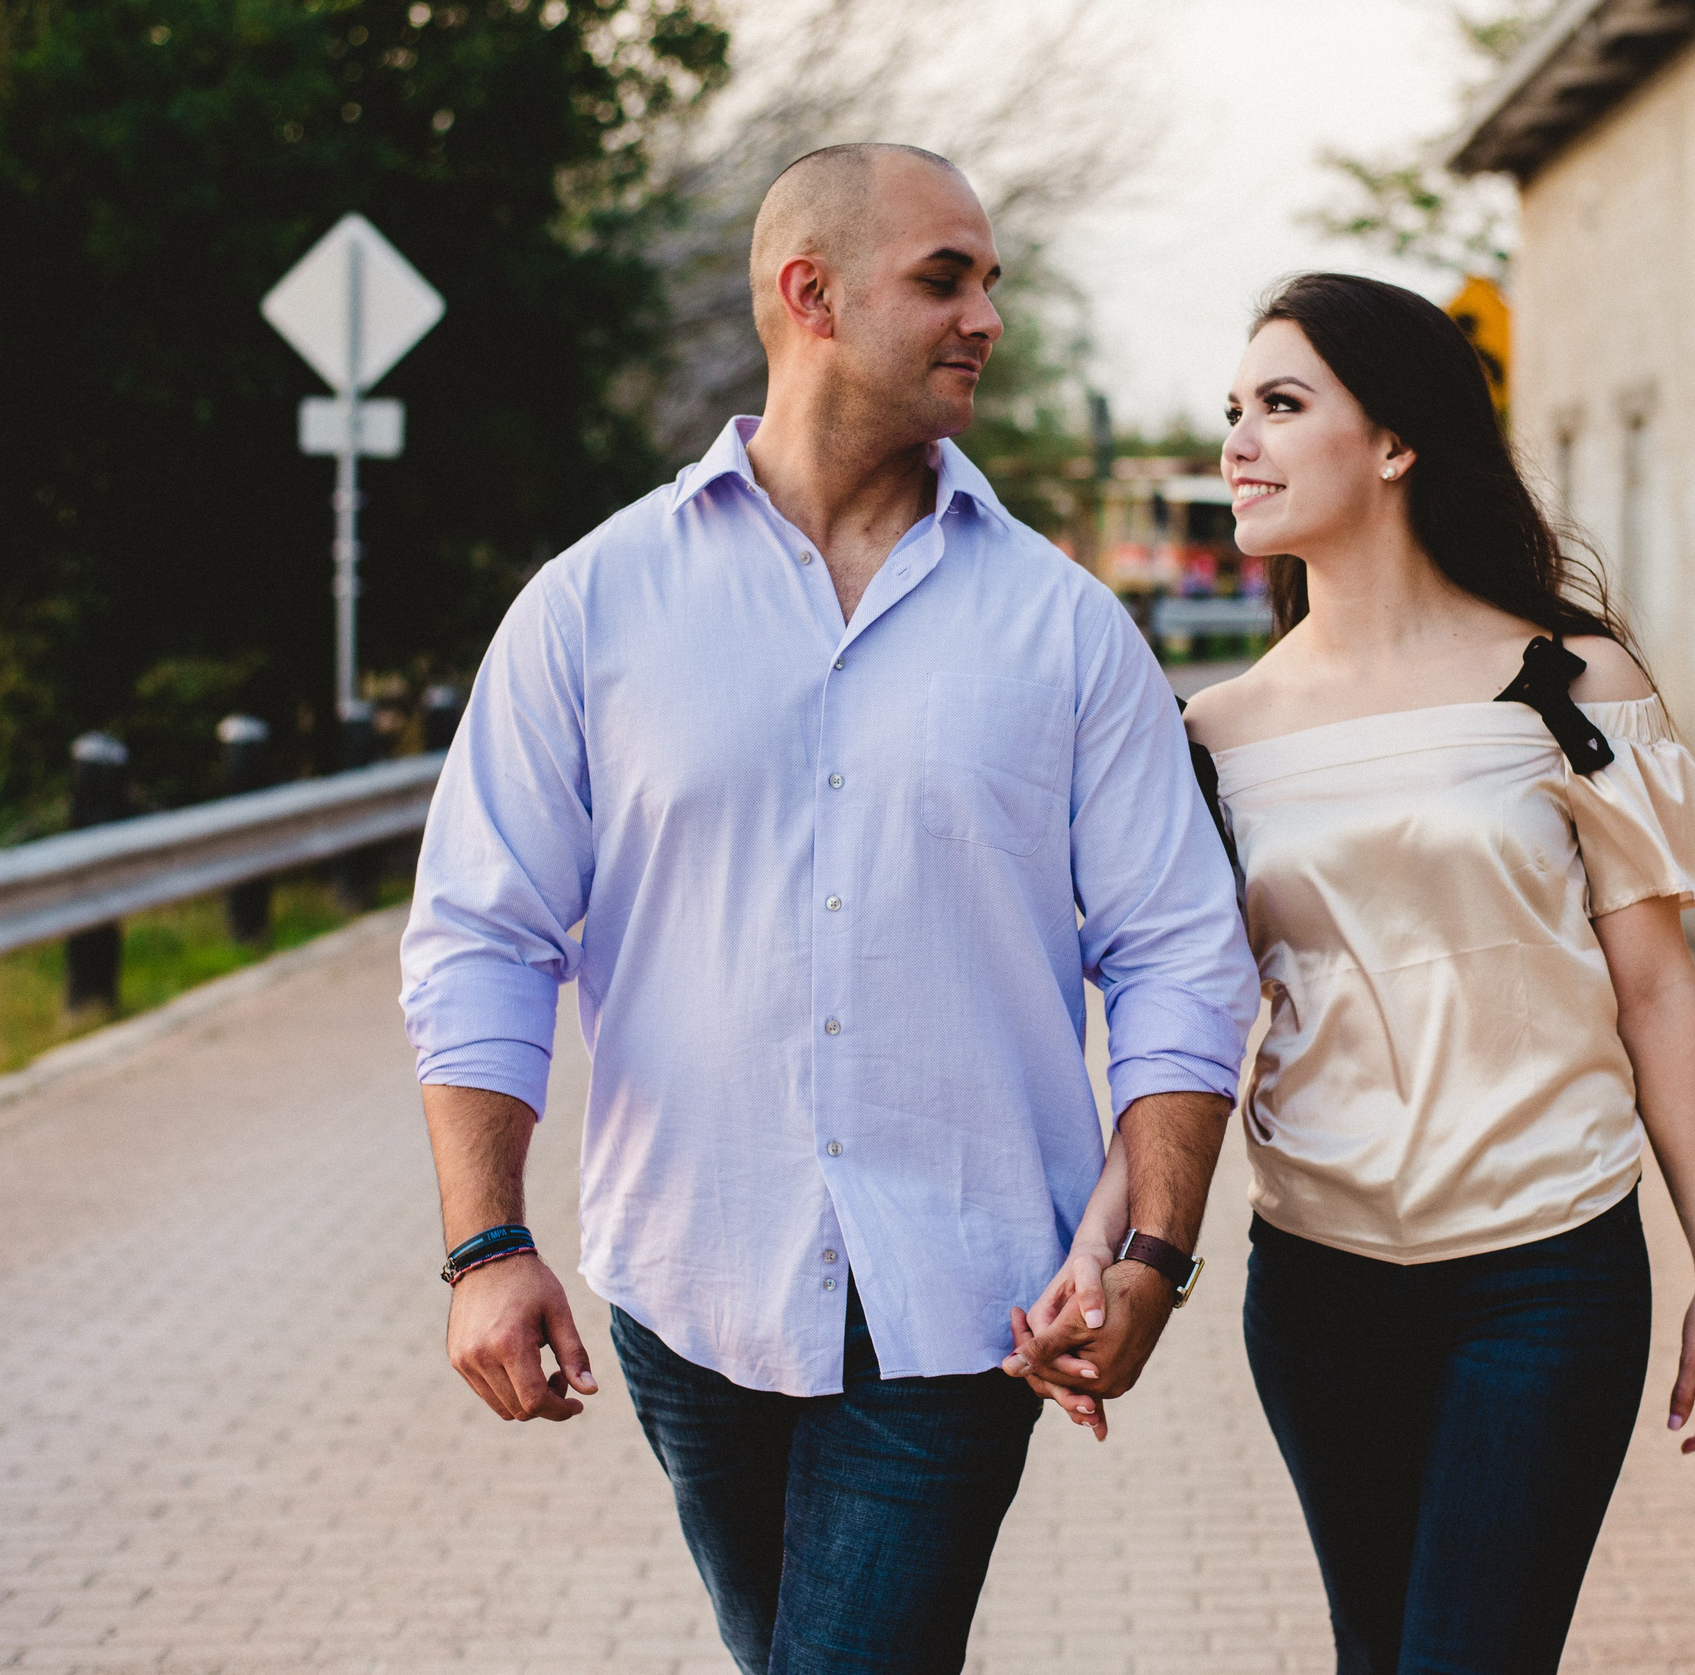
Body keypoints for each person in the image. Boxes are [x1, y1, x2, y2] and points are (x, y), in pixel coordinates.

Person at [398, 143, 1260, 1675]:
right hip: (692, 1284)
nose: (986, 314)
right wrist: (484, 1245)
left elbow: (1178, 954)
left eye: (991, 279)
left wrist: (1159, 1252)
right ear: (811, 293)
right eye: (947, 277)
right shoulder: (596, 606)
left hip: (968, 1299)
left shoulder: (1066, 634)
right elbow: (483, 930)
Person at [1014, 272, 1695, 1672]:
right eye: (1234, 410)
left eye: (1283, 406)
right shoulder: (1217, 733)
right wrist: (1100, 1246)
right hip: (1320, 1284)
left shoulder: (1564, 684)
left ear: (1399, 442)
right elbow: (1187, 1028)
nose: (1240, 442)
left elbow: (1658, 991)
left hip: (1547, 1272)